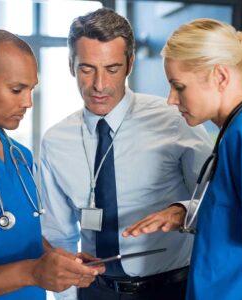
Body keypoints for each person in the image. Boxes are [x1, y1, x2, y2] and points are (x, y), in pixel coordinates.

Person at [40, 8, 212, 300]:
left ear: (130, 64)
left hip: (170, 289)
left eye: (112, 68)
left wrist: (182, 210)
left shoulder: (174, 120)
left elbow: (218, 199)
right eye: (87, 68)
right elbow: (59, 234)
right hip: (94, 291)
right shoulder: (55, 141)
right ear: (71, 65)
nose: (99, 85)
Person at [0, 29, 104, 300]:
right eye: (16, 89)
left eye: (31, 89)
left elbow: (21, 235)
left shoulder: (20, 155)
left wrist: (58, 260)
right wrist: (33, 273)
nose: (28, 102)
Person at [124, 18, 242, 299]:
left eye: (178, 87)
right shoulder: (233, 131)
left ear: (220, 77)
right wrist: (188, 213)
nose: (171, 99)